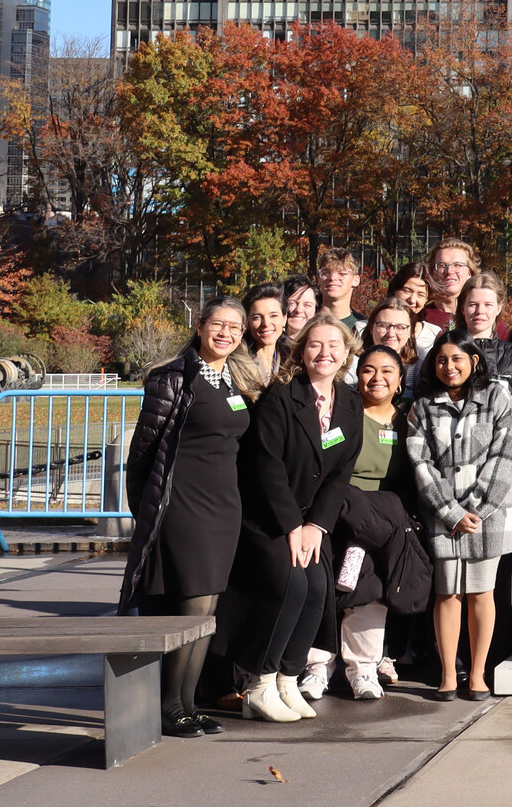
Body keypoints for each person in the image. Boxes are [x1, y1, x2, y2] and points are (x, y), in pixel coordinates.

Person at [120, 298, 252, 738]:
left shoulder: (233, 378)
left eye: (235, 327)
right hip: (185, 506)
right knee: (190, 604)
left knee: (207, 609)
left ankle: (188, 704)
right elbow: (142, 453)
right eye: (219, 324)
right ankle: (167, 706)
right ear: (199, 326)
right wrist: (146, 511)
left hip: (224, 508)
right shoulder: (174, 377)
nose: (227, 333)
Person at [232, 317, 363, 722]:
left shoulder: (351, 401)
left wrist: (315, 526)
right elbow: (266, 468)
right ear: (301, 351)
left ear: (346, 353)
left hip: (310, 522)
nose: (324, 353)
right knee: (291, 583)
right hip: (268, 518)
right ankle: (259, 683)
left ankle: (288, 679)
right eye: (314, 345)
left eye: (333, 346)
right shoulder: (281, 399)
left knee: (319, 587)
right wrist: (292, 525)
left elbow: (341, 474)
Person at [407, 337, 512, 700]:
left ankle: (477, 673)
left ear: (474, 360)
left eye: (457, 359)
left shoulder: (496, 397)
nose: (449, 366)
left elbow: (507, 452)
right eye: (441, 360)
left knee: (481, 592)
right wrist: (451, 511)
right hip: (442, 513)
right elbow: (420, 462)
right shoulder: (423, 407)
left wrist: (478, 507)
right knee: (447, 592)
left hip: (489, 513)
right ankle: (447, 674)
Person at [333, 346, 422, 701]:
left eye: (387, 370)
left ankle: (366, 666)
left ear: (401, 380)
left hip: (394, 521)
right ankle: (319, 667)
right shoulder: (346, 416)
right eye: (368, 370)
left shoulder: (408, 421)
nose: (377, 378)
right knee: (351, 586)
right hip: (349, 513)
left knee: (378, 591)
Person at [454, 271, 512, 487]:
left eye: (488, 305)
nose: (480, 311)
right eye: (473, 304)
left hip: (503, 464)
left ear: (499, 307)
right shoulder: (446, 352)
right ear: (462, 307)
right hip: (454, 462)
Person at [362, 298, 424, 402]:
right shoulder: (353, 362)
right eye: (383, 326)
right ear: (371, 328)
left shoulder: (419, 368)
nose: (391, 334)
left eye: (400, 327)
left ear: (410, 331)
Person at [238, 284, 288, 400]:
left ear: (284, 319)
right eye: (257, 317)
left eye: (273, 316)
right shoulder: (236, 362)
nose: (266, 323)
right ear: (248, 322)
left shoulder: (295, 359)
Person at [387, 262, 444, 358]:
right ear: (394, 291)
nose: (412, 300)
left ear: (426, 300)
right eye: (407, 291)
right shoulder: (363, 328)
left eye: (420, 294)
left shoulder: (433, 334)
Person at [422, 238, 479, 331]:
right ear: (433, 273)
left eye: (457, 265)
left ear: (470, 272)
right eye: (442, 266)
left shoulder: (483, 317)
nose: (449, 271)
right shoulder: (420, 317)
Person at [318, 249, 366, 332]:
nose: (332, 278)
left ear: (356, 280)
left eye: (342, 273)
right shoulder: (304, 323)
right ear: (318, 279)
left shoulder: (364, 328)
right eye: (326, 272)